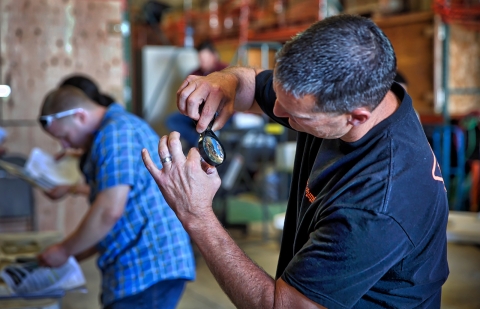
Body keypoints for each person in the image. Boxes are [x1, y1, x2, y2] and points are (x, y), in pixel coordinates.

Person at [142, 14, 449, 308]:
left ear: (356, 117)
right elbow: (249, 81)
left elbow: (284, 306)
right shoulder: (359, 97)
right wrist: (226, 83)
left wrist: (196, 214)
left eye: (297, 115)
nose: (276, 111)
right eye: (277, 96)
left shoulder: (376, 205)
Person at [37, 86, 195, 309]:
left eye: (64, 137)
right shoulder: (116, 130)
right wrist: (70, 254)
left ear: (80, 116)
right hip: (145, 268)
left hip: (147, 269)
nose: (65, 146)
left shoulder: (117, 133)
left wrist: (64, 250)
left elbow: (109, 211)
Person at [44, 75, 115, 200]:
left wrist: (70, 188)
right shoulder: (103, 131)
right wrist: (73, 156)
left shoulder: (112, 134)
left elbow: (111, 198)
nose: (64, 144)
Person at [165, 40, 229, 149]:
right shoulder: (194, 73)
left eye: (205, 59)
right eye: (200, 59)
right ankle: (200, 142)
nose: (202, 62)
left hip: (220, 112)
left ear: (214, 56)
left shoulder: (226, 71)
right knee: (172, 120)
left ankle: (202, 143)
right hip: (197, 113)